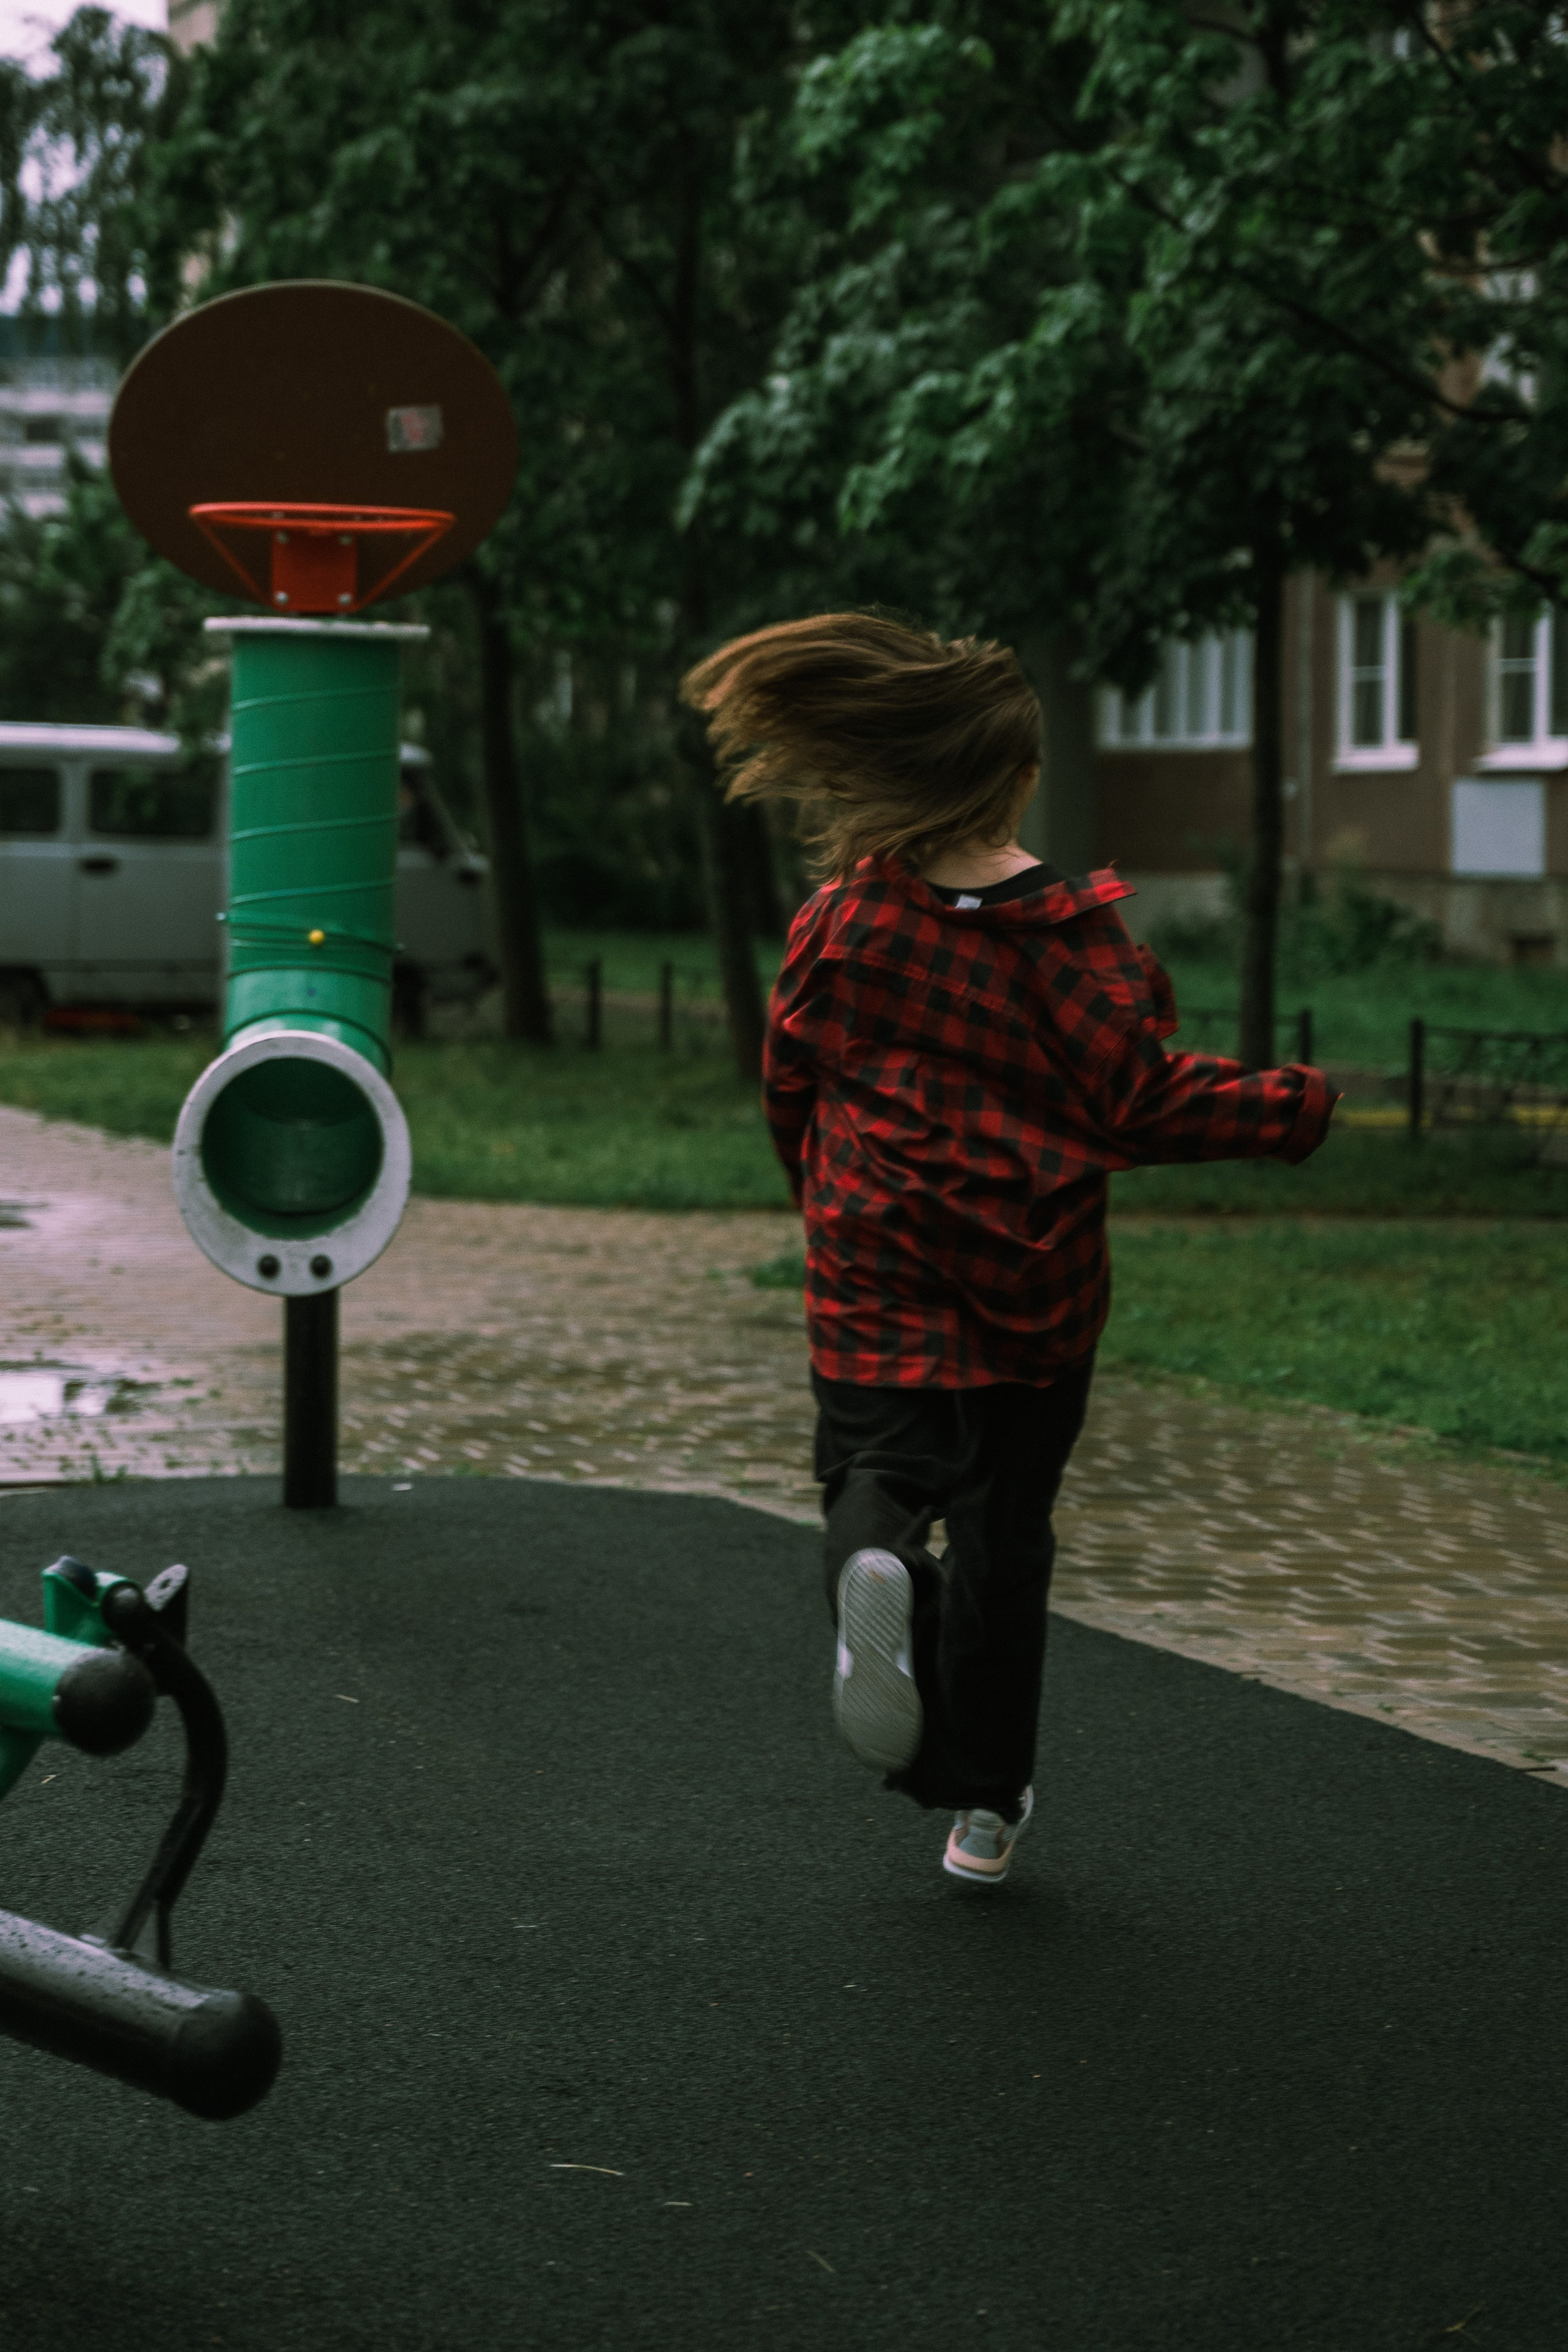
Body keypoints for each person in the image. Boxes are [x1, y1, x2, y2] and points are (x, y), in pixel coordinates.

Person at [680, 613, 1334, 1889]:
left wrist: (825, 1204)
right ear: (1017, 776)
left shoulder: (842, 920)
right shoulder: (1069, 939)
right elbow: (1135, 1101)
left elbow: (788, 1078)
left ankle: (875, 1559)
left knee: (875, 1468)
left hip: (872, 1270)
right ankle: (982, 1806)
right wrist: (1291, 1105)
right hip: (1028, 1297)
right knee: (1002, 1532)